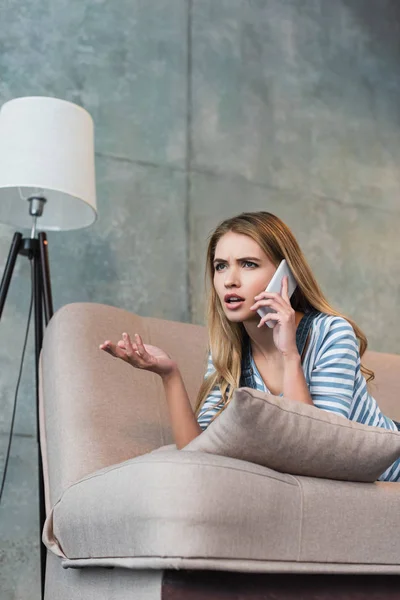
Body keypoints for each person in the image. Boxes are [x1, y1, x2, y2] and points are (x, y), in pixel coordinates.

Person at [100, 211, 400, 482]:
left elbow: (316, 446)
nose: (230, 280)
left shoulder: (331, 331)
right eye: (220, 266)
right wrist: (169, 375)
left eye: (248, 264)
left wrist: (289, 354)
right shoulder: (229, 350)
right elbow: (198, 454)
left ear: (286, 276)